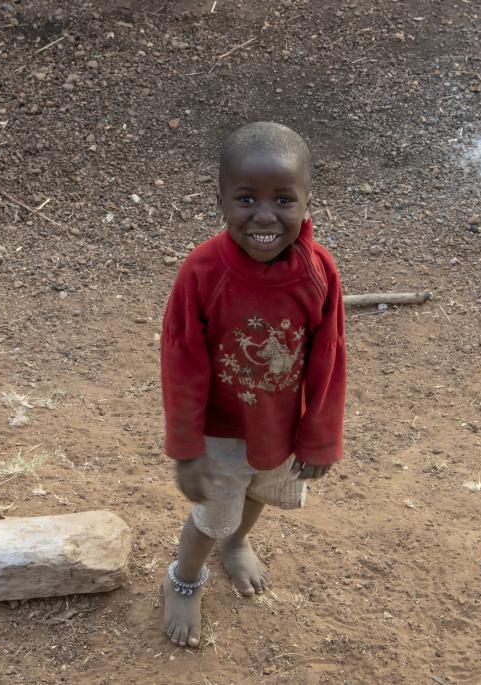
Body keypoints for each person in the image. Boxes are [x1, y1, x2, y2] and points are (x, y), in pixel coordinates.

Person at [160, 121, 347, 647]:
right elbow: (181, 360)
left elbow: (328, 355)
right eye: (246, 198)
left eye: (283, 199)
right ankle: (185, 577)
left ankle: (237, 543)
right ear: (219, 198)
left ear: (308, 200)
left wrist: (320, 437)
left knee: (262, 492)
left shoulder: (317, 273)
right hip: (219, 432)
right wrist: (186, 446)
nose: (265, 216)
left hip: (281, 428)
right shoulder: (202, 271)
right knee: (210, 515)